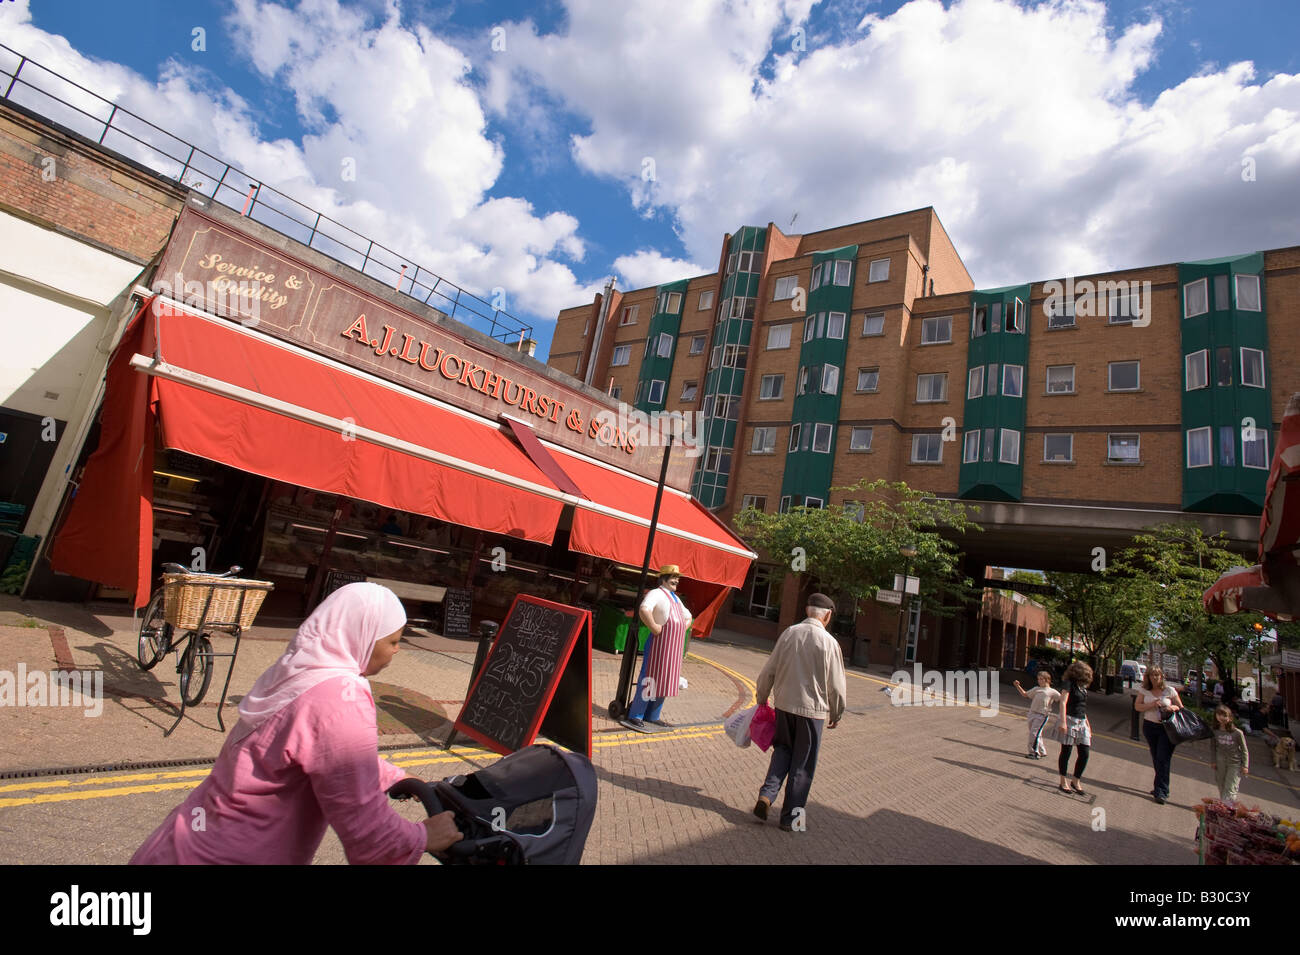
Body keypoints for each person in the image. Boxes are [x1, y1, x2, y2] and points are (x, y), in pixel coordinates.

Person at [131, 583, 461, 864]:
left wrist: (394, 777)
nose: (397, 650)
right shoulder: (341, 700)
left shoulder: (303, 670)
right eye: (392, 641)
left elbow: (323, 750)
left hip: (184, 842)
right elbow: (367, 832)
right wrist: (423, 835)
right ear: (363, 636)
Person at [752, 593, 847, 831]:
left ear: (806, 610)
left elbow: (769, 670)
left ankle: (767, 795)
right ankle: (790, 818)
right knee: (802, 764)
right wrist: (836, 712)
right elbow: (836, 686)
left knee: (782, 751)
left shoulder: (789, 633)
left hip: (784, 706)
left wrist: (762, 697)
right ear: (827, 616)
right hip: (812, 712)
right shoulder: (830, 643)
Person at [621, 564, 692, 732]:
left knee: (666, 680)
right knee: (650, 678)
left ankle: (653, 715)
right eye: (673, 577)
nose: (676, 580)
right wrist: (654, 626)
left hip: (673, 648)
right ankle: (636, 715)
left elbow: (688, 616)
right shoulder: (656, 593)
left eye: (677, 578)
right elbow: (644, 609)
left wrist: (681, 628)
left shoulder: (676, 599)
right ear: (663, 578)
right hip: (658, 644)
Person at [1134, 665, 1183, 805]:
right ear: (1148, 677)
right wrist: (1152, 705)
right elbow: (1137, 706)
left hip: (1166, 728)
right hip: (1150, 727)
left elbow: (1180, 707)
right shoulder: (1144, 690)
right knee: (1156, 758)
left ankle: (1161, 792)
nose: (1154, 678)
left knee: (1163, 758)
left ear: (1162, 676)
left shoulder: (1169, 690)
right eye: (1151, 675)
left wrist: (1171, 707)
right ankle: (1160, 786)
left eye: (1157, 675)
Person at [1053, 660, 1094, 795]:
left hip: (1081, 721)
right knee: (1066, 751)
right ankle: (1063, 781)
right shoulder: (1069, 683)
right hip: (1070, 719)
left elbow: (1082, 706)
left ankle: (1076, 780)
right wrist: (1063, 721)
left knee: (1084, 753)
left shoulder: (1083, 687)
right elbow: (1063, 702)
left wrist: (1087, 723)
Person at [1013, 670, 1060, 759]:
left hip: (1042, 715)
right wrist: (1017, 686)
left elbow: (1062, 699)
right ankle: (1042, 751)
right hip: (1032, 713)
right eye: (1038, 679)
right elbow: (1025, 694)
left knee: (1034, 733)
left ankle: (1034, 753)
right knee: (1037, 733)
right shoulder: (1036, 689)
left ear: (1047, 680)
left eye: (1041, 679)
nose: (1039, 681)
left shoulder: (1052, 691)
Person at [1208, 704, 1249, 803]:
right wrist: (1213, 761)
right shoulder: (1215, 731)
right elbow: (1213, 748)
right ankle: (1223, 805)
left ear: (1230, 717)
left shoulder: (1237, 733)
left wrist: (1245, 765)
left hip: (1234, 763)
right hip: (1220, 762)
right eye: (1219, 715)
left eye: (1224, 715)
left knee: (1230, 787)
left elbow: (1244, 750)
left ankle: (1227, 806)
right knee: (1221, 784)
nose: (1222, 718)